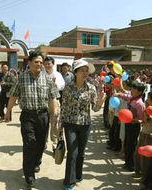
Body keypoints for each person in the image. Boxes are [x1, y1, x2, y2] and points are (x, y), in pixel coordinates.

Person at [5, 51, 60, 189]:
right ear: (29, 63)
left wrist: (54, 116)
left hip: (43, 116)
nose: (39, 64)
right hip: (28, 115)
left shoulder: (47, 79)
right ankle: (29, 175)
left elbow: (53, 98)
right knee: (30, 143)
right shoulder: (21, 78)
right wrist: (8, 111)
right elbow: (13, 96)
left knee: (41, 144)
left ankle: (37, 162)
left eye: (41, 62)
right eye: (36, 62)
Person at [61, 59, 106, 190]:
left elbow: (95, 109)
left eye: (87, 71)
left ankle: (78, 176)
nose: (85, 73)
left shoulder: (91, 88)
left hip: (85, 124)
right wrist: (59, 126)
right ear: (75, 72)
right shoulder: (68, 88)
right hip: (70, 124)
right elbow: (64, 108)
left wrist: (100, 102)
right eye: (82, 70)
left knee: (81, 153)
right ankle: (69, 181)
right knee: (72, 152)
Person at [117, 81, 146, 171]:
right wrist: (118, 94)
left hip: (134, 126)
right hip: (128, 124)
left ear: (140, 92)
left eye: (134, 89)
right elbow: (126, 96)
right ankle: (127, 162)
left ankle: (131, 165)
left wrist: (133, 119)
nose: (132, 90)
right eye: (132, 88)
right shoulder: (132, 98)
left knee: (131, 145)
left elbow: (142, 119)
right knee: (127, 143)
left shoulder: (140, 104)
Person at [43, 56, 65, 152]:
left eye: (49, 63)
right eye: (46, 63)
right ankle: (43, 142)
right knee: (43, 123)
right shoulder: (41, 74)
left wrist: (54, 85)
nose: (47, 65)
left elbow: (62, 85)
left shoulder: (57, 74)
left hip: (54, 100)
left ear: (53, 64)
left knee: (54, 123)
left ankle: (55, 144)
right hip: (43, 101)